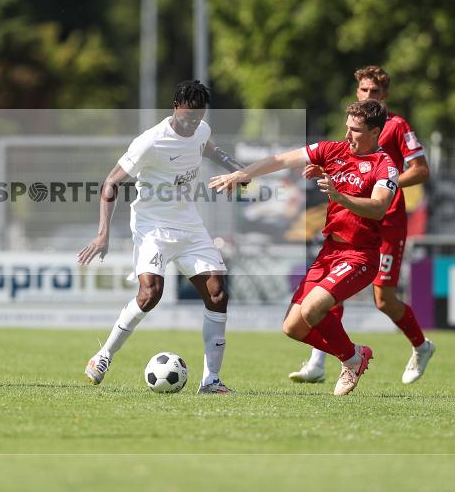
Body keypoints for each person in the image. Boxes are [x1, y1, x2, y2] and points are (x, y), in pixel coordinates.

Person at [210, 99, 398, 396]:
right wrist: (243, 174)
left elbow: (377, 208)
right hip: (329, 252)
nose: (348, 135)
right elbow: (281, 160)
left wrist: (340, 195)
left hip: (360, 255)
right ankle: (355, 354)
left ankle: (350, 361)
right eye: (347, 127)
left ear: (375, 133)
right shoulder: (332, 150)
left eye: (356, 130)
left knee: (312, 309)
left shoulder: (384, 166)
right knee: (293, 328)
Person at [78, 80, 244, 394]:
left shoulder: (201, 129)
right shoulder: (150, 142)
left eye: (197, 117)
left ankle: (211, 380)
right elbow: (111, 183)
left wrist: (235, 167)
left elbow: (205, 147)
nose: (192, 123)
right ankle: (103, 355)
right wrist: (103, 234)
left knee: (218, 293)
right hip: (152, 226)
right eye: (186, 117)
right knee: (151, 293)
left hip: (189, 226)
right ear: (174, 108)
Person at [289, 67, 435, 385]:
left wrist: (385, 184)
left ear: (386, 96)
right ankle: (320, 361)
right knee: (330, 293)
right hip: (352, 223)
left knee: (383, 300)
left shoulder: (396, 126)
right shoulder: (352, 129)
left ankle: (421, 346)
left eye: (376, 92)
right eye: (365, 91)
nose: (370, 96)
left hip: (387, 223)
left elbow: (421, 170)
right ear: (358, 93)